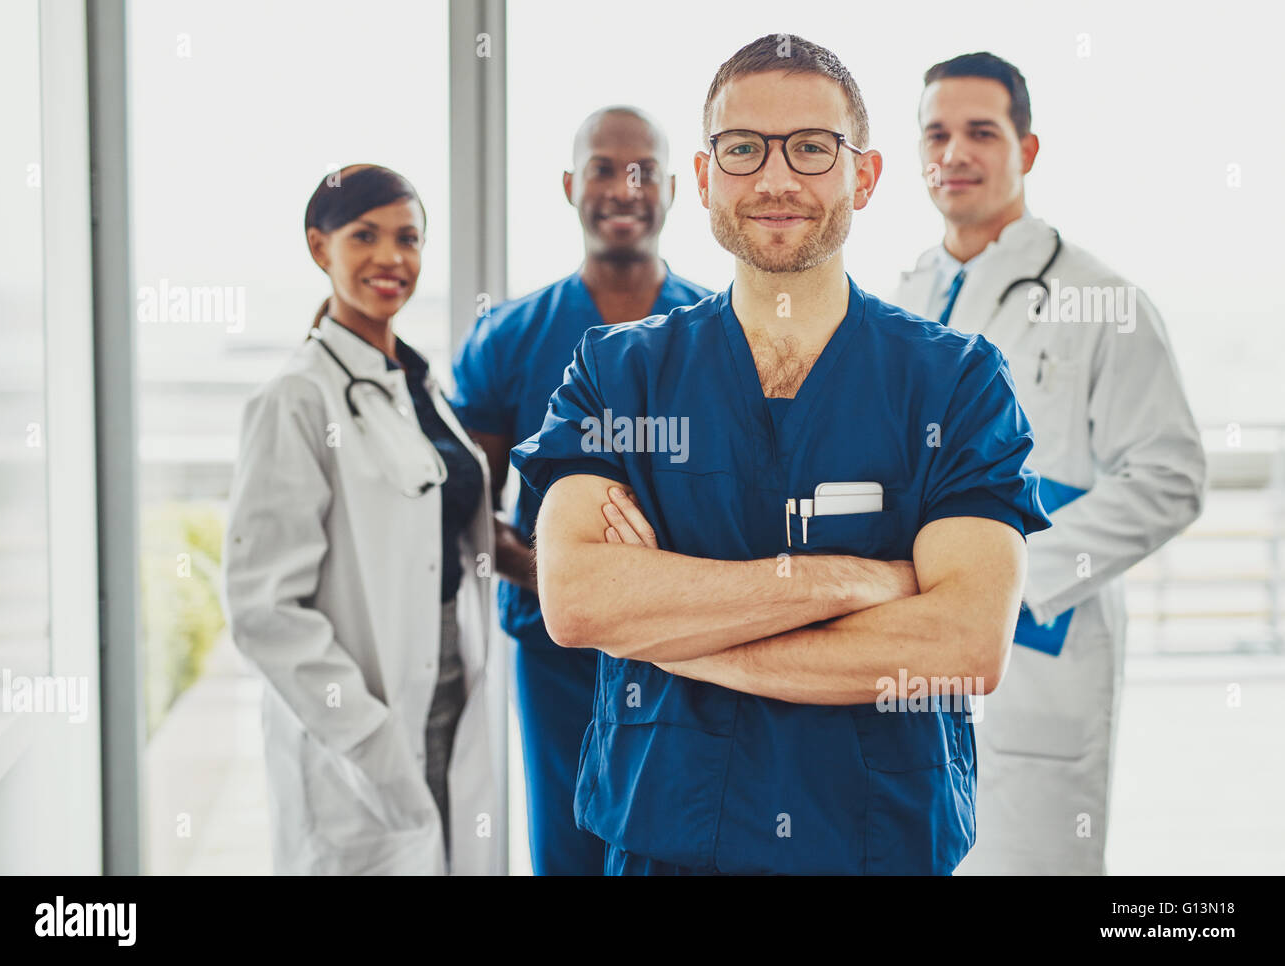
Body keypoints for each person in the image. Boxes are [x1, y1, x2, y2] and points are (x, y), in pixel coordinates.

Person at [510, 35, 1052, 876]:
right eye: (742, 149)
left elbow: (966, 642)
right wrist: (851, 582)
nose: (775, 179)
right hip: (667, 842)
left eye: (811, 148)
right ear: (703, 176)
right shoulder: (618, 375)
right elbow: (578, 602)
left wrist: (670, 634)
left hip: (877, 844)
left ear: (864, 176)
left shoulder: (955, 383)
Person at [891, 53, 1206, 875]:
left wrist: (1007, 580)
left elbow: (1170, 476)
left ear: (1027, 149)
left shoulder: (1103, 303)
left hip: (1040, 652)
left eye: (981, 132)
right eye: (936, 134)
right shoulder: (903, 298)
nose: (954, 153)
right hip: (912, 651)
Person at [450, 107, 711, 875]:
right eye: (602, 168)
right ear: (570, 185)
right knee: (568, 847)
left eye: (643, 171)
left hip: (689, 647)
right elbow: (473, 509)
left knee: (684, 841)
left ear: (673, 188)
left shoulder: (719, 334)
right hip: (556, 650)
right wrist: (567, 581)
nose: (623, 188)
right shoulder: (509, 338)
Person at [223, 164, 504, 875]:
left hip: (452, 687)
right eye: (365, 236)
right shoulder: (296, 399)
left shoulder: (414, 385)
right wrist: (366, 732)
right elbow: (262, 609)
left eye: (408, 239)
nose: (391, 258)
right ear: (320, 247)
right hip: (363, 720)